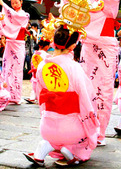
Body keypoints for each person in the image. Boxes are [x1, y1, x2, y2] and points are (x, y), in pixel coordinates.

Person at [65, 0, 120, 146]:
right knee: (86, 89)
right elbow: (69, 1)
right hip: (88, 46)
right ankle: (87, 128)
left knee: (104, 90)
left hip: (106, 47)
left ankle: (100, 132)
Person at [24, 25, 99, 166]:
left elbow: (41, 99)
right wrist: (93, 117)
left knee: (54, 126)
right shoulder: (73, 66)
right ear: (72, 46)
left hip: (47, 126)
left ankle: (45, 147)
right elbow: (86, 97)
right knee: (90, 126)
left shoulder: (41, 66)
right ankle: (70, 150)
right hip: (71, 130)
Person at [0, 0, 29, 104]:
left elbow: (13, 14)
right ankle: (6, 93)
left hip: (18, 44)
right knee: (6, 69)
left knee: (17, 70)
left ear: (21, 2)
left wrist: (2, 3)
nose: (14, 4)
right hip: (9, 43)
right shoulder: (9, 13)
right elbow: (2, 17)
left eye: (16, 2)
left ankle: (16, 96)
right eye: (12, 3)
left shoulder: (24, 15)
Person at [25, 38, 50, 104]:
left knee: (34, 87)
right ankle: (37, 98)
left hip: (34, 73)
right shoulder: (47, 55)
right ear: (47, 47)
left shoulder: (35, 54)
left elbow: (32, 64)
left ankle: (33, 98)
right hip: (42, 73)